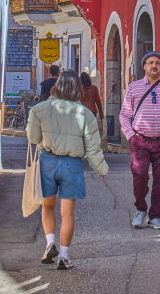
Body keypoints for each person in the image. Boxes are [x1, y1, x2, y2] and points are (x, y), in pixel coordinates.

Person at [27, 69, 108, 270]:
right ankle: (64, 255)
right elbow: (93, 147)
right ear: (77, 89)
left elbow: (33, 138)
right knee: (68, 213)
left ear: (57, 86)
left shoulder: (39, 109)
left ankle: (49, 243)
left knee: (47, 206)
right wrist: (100, 168)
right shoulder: (85, 114)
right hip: (72, 164)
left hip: (47, 162)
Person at [119, 50, 160, 230]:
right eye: (150, 63)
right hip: (140, 140)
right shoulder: (134, 87)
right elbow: (124, 115)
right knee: (139, 174)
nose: (154, 66)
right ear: (144, 66)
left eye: (157, 63)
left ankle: (155, 216)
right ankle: (140, 209)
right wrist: (131, 136)